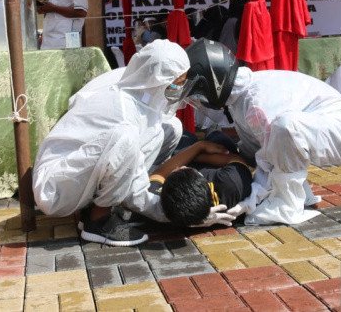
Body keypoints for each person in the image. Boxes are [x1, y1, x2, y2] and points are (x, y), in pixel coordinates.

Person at [32, 40, 233, 246]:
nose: (180, 88)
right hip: (57, 187)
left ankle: (108, 197)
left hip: (79, 163)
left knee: (171, 127)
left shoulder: (132, 81)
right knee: (125, 140)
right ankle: (98, 221)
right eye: (177, 82)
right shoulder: (124, 116)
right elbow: (135, 189)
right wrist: (184, 213)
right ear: (158, 79)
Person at [184, 39, 341, 225]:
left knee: (286, 127)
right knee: (281, 136)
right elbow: (255, 149)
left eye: (199, 95)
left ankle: (286, 205)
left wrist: (248, 201)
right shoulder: (240, 98)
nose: (200, 103)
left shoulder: (257, 103)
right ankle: (298, 193)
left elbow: (270, 158)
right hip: (320, 126)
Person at [156, 131, 253, 227]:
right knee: (218, 137)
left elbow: (159, 173)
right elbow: (236, 159)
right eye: (184, 168)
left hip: (190, 161)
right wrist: (200, 147)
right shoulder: (231, 182)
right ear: (203, 178)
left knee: (185, 138)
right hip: (216, 164)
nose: (178, 167)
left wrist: (196, 149)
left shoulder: (164, 205)